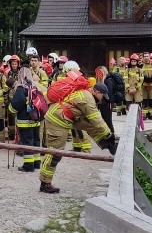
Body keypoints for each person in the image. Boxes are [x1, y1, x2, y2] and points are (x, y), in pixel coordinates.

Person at [40, 64, 115, 193]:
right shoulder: (88, 99)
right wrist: (109, 134)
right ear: (97, 92)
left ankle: (107, 144)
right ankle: (45, 183)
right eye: (103, 96)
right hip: (57, 121)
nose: (103, 100)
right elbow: (96, 119)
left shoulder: (85, 94)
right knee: (55, 153)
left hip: (62, 118)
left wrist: (106, 139)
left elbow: (89, 124)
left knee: (91, 127)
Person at [8, 68, 41, 172]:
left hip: (25, 121)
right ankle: (36, 163)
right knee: (36, 141)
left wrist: (10, 108)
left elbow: (16, 105)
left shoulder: (21, 88)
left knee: (27, 142)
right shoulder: (34, 86)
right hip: (35, 120)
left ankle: (28, 165)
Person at [139, 53, 152, 120]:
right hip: (143, 86)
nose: (146, 57)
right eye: (145, 56)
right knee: (144, 101)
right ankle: (144, 115)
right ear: (143, 57)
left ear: (149, 57)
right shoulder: (140, 65)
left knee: (151, 101)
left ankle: (151, 115)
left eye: (147, 56)